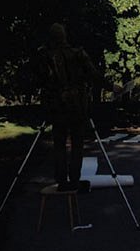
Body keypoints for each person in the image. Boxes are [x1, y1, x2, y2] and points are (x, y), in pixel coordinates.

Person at [37, 23, 99, 192]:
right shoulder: (77, 54)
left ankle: (61, 180)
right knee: (77, 143)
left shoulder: (44, 55)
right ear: (65, 36)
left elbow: (39, 79)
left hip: (56, 106)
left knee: (59, 144)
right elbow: (94, 75)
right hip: (76, 105)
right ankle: (74, 179)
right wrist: (111, 86)